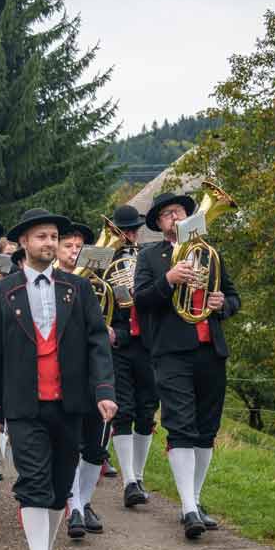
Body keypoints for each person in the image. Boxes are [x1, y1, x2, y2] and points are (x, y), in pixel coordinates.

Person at [0, 208, 117, 550]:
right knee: (35, 485)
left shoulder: (77, 288)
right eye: (41, 236)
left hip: (69, 403)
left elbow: (97, 341)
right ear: (24, 243)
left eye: (53, 236)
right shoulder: (0, 292)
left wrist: (105, 391)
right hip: (23, 406)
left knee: (59, 490)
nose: (49, 243)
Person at [134, 192, 240, 539]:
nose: (174, 218)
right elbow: (141, 300)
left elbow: (234, 297)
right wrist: (169, 279)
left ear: (189, 216)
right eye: (166, 215)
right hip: (171, 351)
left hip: (210, 349)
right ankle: (189, 508)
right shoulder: (151, 257)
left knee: (206, 429)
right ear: (159, 225)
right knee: (180, 425)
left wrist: (223, 303)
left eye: (178, 212)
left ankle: (192, 501)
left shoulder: (211, 253)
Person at [54, 222, 110, 539]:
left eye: (79, 247)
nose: (75, 252)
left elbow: (118, 320)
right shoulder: (50, 283)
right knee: (71, 441)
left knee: (96, 443)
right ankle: (73, 506)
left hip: (97, 370)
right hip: (64, 371)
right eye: (69, 246)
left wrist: (112, 330)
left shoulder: (97, 284)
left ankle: (85, 501)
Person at [107, 205, 159, 510]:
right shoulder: (106, 259)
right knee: (123, 410)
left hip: (149, 341)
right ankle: (128, 480)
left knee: (146, 411)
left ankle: (138, 476)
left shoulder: (147, 256)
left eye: (132, 230)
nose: (128, 235)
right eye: (122, 230)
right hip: (119, 341)